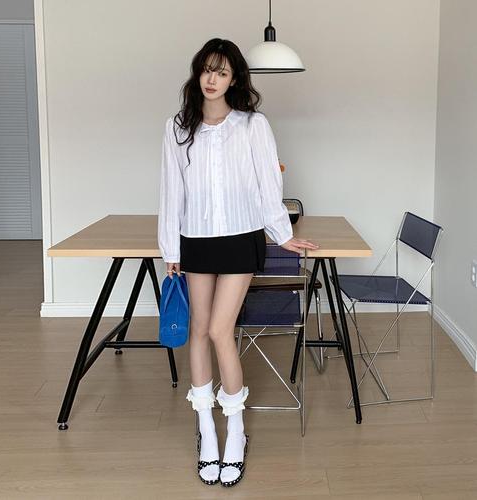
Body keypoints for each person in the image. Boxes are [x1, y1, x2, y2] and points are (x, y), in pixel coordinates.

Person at [158, 38, 318, 487]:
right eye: (207, 69)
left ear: (234, 80)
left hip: (241, 238)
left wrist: (283, 235)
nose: (212, 79)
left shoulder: (252, 124)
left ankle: (236, 431)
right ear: (198, 73)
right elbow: (171, 190)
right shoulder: (177, 127)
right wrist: (171, 249)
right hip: (194, 240)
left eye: (222, 72)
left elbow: (268, 184)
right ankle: (207, 431)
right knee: (197, 330)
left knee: (218, 330)